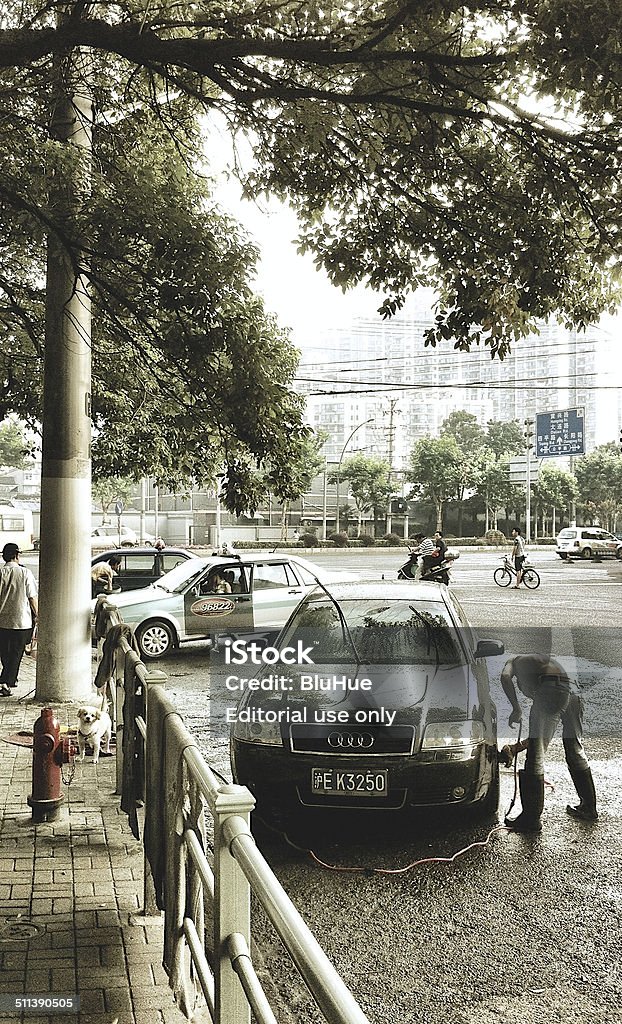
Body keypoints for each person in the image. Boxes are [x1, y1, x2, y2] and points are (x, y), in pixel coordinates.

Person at [501, 653, 598, 832]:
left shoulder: (513, 662)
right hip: (573, 689)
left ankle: (531, 819)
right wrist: (515, 748)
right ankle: (589, 807)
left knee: (535, 758)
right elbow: (542, 736)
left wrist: (516, 708)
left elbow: (505, 677)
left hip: (553, 687)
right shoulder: (538, 663)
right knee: (575, 747)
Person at [0, 543, 38, 696]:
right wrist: (38, 614)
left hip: (2, 621)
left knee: (5, 653)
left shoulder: (0, 572)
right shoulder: (25, 573)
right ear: (16, 555)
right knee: (16, 654)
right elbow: (32, 597)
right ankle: (6, 681)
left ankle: (8, 681)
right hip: (22, 621)